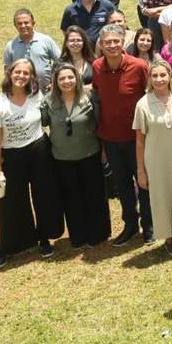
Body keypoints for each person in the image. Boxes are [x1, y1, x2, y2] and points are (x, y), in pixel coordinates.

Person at [0, 59, 63, 267]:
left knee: (44, 195)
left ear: (31, 77)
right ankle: (7, 246)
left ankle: (44, 237)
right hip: (12, 155)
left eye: (26, 73)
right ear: (9, 73)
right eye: (17, 72)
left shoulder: (36, 97)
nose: (21, 76)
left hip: (39, 150)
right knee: (11, 201)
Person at [91, 24, 152, 247]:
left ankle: (149, 225)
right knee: (122, 185)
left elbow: (150, 94)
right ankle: (130, 225)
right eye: (107, 42)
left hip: (138, 138)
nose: (112, 45)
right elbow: (97, 94)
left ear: (122, 42)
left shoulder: (138, 66)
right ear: (101, 45)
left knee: (144, 182)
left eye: (116, 41)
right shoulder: (97, 67)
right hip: (111, 138)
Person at [41, 62, 109, 249]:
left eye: (70, 77)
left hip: (89, 153)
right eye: (62, 78)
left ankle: (98, 233)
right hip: (62, 157)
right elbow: (43, 121)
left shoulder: (89, 97)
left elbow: (99, 123)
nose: (67, 81)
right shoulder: (49, 100)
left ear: (77, 78)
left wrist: (104, 150)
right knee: (71, 198)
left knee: (93, 195)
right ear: (56, 81)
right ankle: (78, 235)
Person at [134, 59, 172, 256]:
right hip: (156, 158)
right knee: (161, 197)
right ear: (150, 79)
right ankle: (170, 236)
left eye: (163, 75)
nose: (159, 79)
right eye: (155, 76)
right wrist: (141, 170)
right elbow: (140, 141)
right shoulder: (143, 104)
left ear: (170, 76)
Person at [3, 8, 61, 89]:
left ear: (33, 23)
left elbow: (60, 61)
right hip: (22, 93)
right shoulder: (10, 46)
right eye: (19, 23)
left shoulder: (45, 40)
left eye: (26, 23)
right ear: (15, 25)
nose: (23, 26)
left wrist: (55, 81)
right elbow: (7, 70)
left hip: (46, 91)